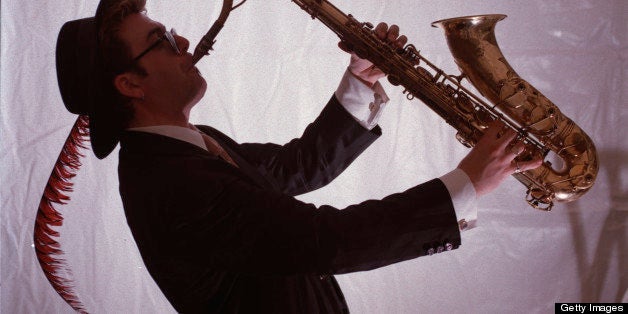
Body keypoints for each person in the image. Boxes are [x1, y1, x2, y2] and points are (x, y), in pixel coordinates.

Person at [55, 0, 541, 312]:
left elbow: (295, 167)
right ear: (130, 83)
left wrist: (362, 78)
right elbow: (323, 240)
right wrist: (465, 186)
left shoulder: (187, 142)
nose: (183, 43)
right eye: (160, 41)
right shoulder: (168, 184)